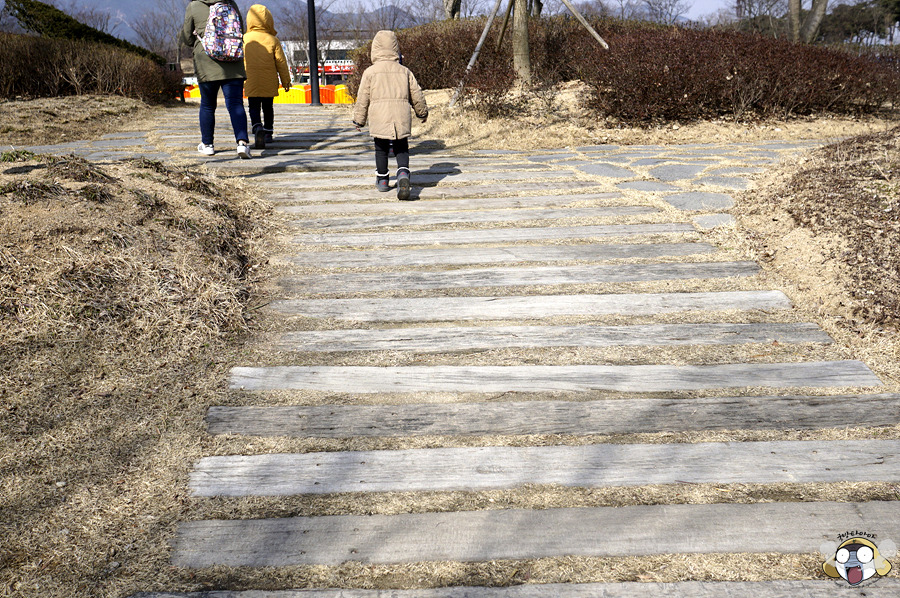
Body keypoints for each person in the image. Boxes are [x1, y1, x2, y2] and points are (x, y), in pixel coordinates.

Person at [352, 30, 428, 201]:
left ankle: (383, 180)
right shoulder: (404, 71)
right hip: (401, 115)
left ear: (375, 49)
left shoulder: (370, 72)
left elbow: (363, 98)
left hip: (379, 117)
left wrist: (359, 119)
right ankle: (403, 174)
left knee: (381, 148)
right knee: (401, 147)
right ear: (395, 48)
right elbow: (417, 94)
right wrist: (422, 112)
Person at [179, 0, 252, 159]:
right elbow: (241, 30)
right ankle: (242, 144)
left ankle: (208, 145)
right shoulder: (230, 3)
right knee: (235, 103)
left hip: (207, 61)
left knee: (207, 104)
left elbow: (187, 38)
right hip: (232, 60)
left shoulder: (194, 6)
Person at [243, 4, 291, 149]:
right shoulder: (273, 40)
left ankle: (257, 127)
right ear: (269, 21)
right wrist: (286, 81)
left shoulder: (245, 39)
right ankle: (268, 133)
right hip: (269, 80)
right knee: (268, 107)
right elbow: (281, 63)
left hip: (250, 79)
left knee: (253, 107)